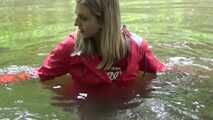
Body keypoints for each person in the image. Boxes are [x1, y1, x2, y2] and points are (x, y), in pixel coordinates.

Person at [0, 0, 165, 119]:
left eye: (84, 18)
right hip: (86, 108)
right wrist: (5, 79)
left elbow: (159, 71)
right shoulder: (70, 48)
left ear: (104, 21)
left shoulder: (137, 46)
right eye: (77, 16)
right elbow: (40, 75)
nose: (76, 23)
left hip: (127, 106)